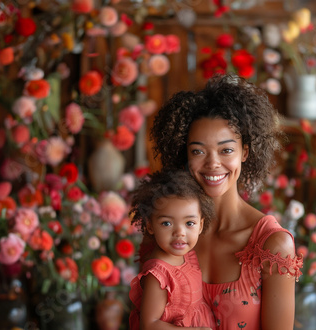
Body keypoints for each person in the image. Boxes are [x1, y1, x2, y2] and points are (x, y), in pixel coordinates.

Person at [151, 73, 304, 329]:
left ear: (245, 152)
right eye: (198, 151)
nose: (212, 163)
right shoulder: (171, 230)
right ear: (184, 154)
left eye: (226, 150)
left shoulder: (272, 245)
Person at [128, 170, 216, 330]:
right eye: (167, 223)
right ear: (150, 225)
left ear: (201, 225)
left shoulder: (188, 256)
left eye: (189, 223)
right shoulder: (158, 275)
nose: (180, 233)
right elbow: (149, 324)